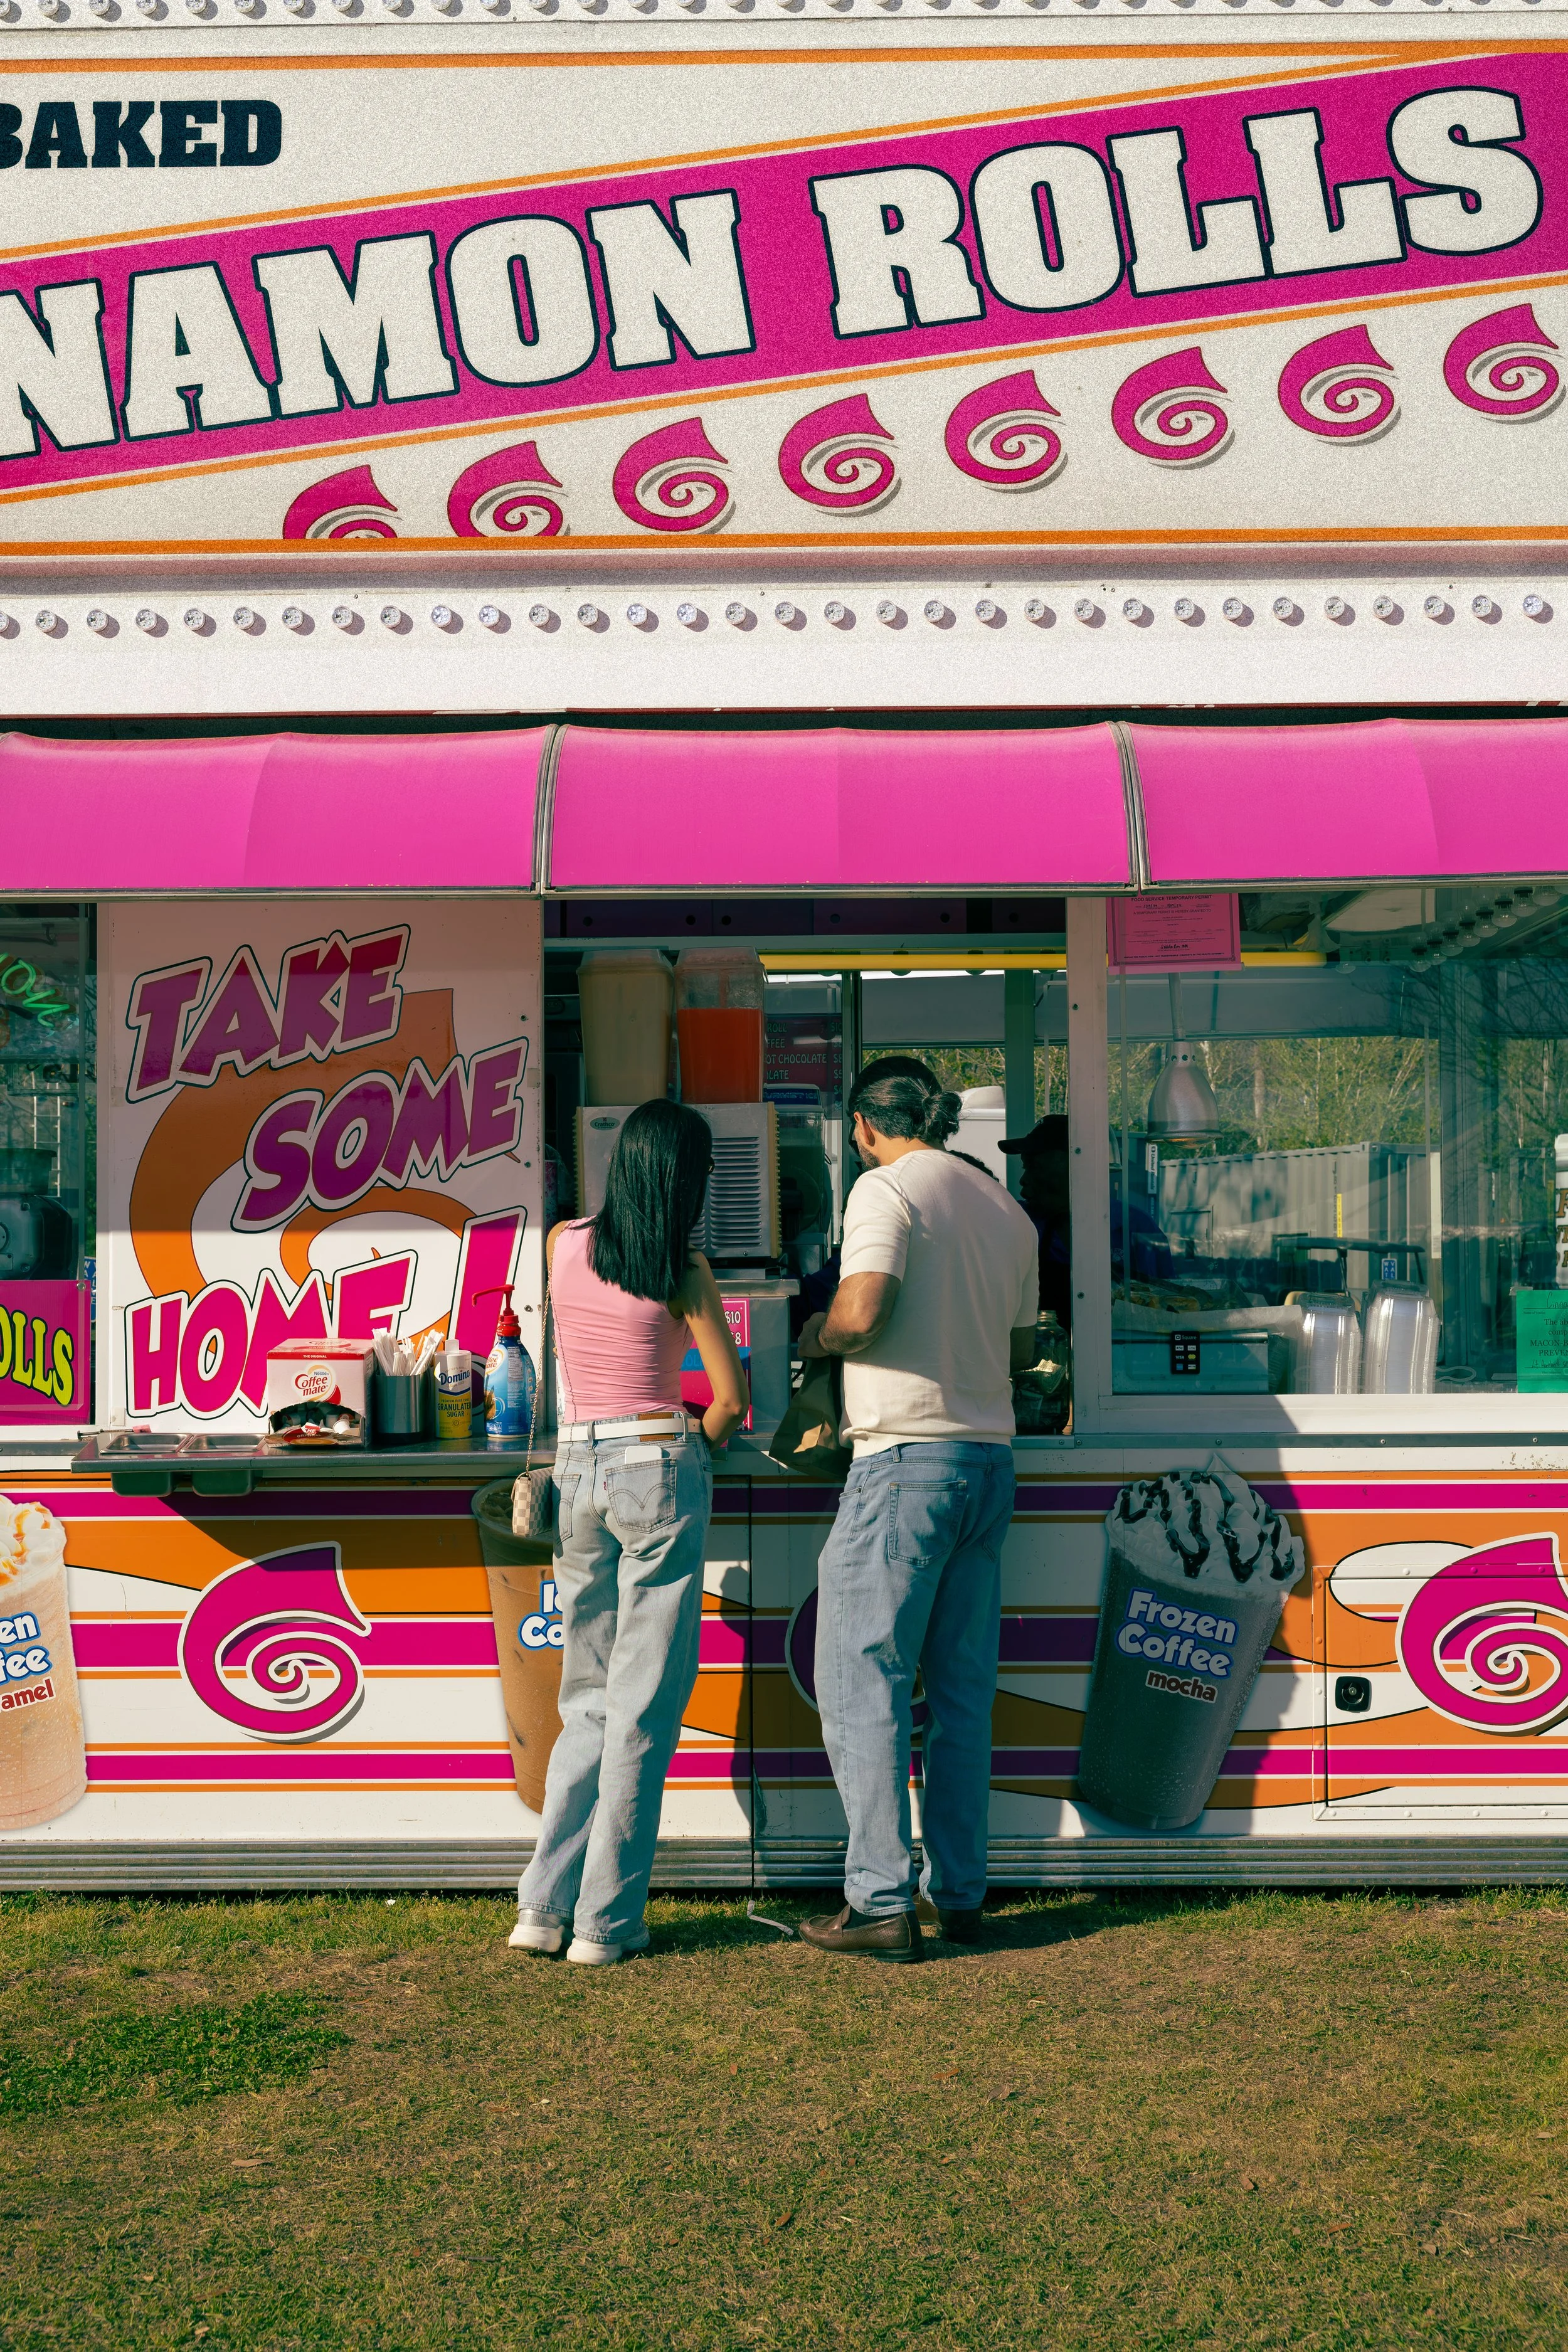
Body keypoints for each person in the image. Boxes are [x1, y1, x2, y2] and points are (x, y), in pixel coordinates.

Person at [795, 1069, 1040, 1964]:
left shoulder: (884, 1188)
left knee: (863, 1682)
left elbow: (862, 1311)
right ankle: (961, 1893)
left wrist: (815, 1333)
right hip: (988, 1460)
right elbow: (1021, 1346)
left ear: (862, 1125)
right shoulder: (1004, 1208)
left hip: (904, 1459)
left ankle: (879, 1901)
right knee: (963, 1692)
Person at [511, 1099, 749, 1968]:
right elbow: (729, 1402)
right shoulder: (682, 1268)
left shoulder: (562, 1242)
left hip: (577, 1471)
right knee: (642, 1707)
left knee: (586, 1699)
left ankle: (541, 1906)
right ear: (683, 1179)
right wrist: (700, 1445)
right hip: (656, 1467)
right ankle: (605, 1922)